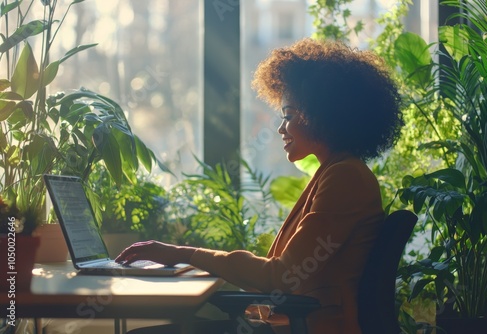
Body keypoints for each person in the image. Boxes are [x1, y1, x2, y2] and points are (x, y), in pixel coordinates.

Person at [116, 38, 403, 334]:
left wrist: (182, 253)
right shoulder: (336, 171)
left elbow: (280, 275)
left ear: (324, 116)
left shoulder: (345, 178)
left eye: (289, 116)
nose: (281, 128)